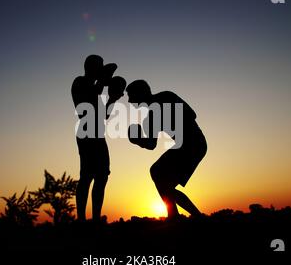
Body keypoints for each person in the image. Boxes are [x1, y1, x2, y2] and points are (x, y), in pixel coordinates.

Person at [126, 80, 206, 219]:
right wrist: (137, 139)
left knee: (158, 174)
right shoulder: (149, 117)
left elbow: (192, 114)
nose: (129, 100)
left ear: (140, 93)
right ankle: (181, 216)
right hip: (185, 145)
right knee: (162, 180)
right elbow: (151, 144)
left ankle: (179, 216)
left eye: (131, 95)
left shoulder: (166, 96)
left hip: (194, 142)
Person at [71, 55, 126, 222]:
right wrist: (103, 81)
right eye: (99, 66)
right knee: (86, 176)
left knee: (102, 176)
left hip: (98, 134)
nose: (102, 70)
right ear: (91, 67)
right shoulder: (79, 82)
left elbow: (103, 115)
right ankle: (81, 219)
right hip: (87, 132)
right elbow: (85, 106)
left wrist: (112, 99)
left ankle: (95, 220)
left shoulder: (96, 87)